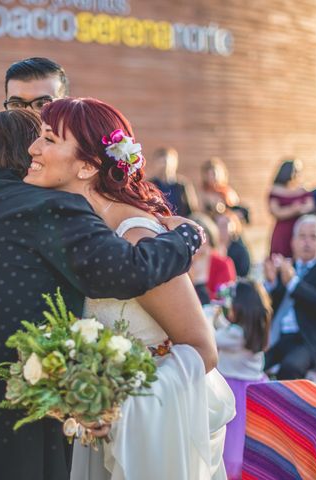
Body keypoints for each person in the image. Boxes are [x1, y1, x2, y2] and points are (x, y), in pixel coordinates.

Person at [0, 110, 205, 480]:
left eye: (49, 139)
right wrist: (188, 236)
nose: (39, 148)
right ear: (27, 156)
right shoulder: (49, 208)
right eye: (41, 138)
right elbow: (126, 273)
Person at [24, 97, 235, 480]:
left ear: (88, 166)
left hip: (156, 431)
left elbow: (202, 350)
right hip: (104, 431)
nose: (33, 149)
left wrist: (118, 402)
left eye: (49, 139)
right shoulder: (83, 231)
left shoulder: (139, 238)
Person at [0, 57, 69, 195]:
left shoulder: (81, 169)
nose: (28, 114)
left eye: (42, 104)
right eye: (17, 105)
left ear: (66, 107)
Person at [263, 214, 316, 381]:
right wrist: (271, 283)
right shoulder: (285, 267)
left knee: (290, 368)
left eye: (313, 237)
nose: (306, 242)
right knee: (252, 365)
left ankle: (286, 408)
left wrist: (293, 282)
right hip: (279, 338)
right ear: (293, 242)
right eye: (302, 236)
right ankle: (253, 407)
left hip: (311, 340)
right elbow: (272, 306)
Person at [215, 280, 271, 480]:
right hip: (255, 388)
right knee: (250, 441)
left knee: (232, 444)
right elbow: (226, 332)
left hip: (234, 390)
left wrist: (207, 315)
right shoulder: (254, 329)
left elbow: (211, 337)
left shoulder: (234, 335)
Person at [268, 159, 315, 258]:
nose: (297, 174)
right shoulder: (275, 190)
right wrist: (294, 209)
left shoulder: (303, 189)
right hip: (283, 230)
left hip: (300, 229)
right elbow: (276, 211)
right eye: (295, 171)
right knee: (280, 257)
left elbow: (310, 206)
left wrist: (298, 209)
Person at [188, 212, 236, 304]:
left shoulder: (223, 264)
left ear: (210, 236)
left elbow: (224, 299)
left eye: (201, 234)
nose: (197, 239)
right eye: (193, 235)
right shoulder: (183, 266)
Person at [149, 147, 199, 216]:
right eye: (161, 162)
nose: (164, 166)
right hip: (156, 223)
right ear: (155, 164)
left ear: (175, 163)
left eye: (166, 162)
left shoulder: (182, 185)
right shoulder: (150, 185)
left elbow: (192, 211)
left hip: (180, 223)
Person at [216, 209, 251, 277]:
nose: (220, 229)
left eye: (224, 225)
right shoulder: (213, 248)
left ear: (233, 228)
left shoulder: (240, 250)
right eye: (218, 226)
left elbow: (243, 273)